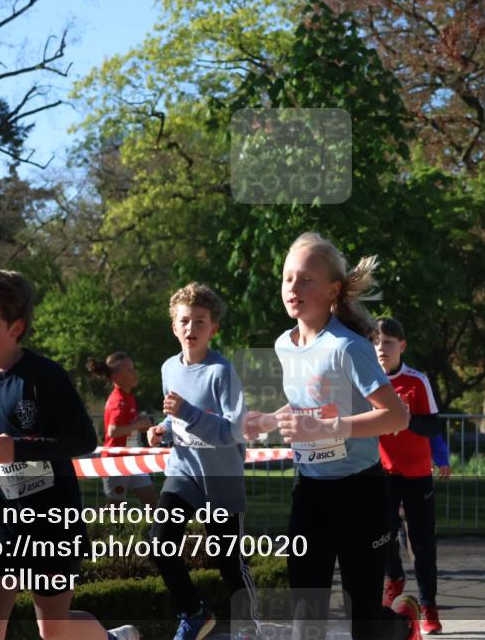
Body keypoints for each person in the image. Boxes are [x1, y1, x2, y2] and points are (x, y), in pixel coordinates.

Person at [243, 232, 422, 640]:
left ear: (332, 290)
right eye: (288, 278)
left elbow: (395, 416)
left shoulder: (349, 347)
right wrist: (270, 421)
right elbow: (310, 403)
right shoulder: (285, 346)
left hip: (361, 492)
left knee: (365, 623)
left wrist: (327, 429)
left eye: (306, 279)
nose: (293, 287)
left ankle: (400, 624)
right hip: (311, 492)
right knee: (306, 615)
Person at [0, 266, 137, 640]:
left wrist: (18, 448)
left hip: (51, 519)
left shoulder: (45, 376)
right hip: (0, 518)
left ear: (15, 328)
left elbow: (84, 440)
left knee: (54, 629)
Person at [145, 282, 259, 640]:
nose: (191, 328)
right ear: (173, 327)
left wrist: (188, 413)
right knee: (159, 542)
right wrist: (160, 429)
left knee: (228, 561)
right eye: (184, 321)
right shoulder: (168, 368)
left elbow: (233, 431)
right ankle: (194, 612)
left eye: (200, 321)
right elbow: (174, 416)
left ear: (214, 328)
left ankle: (251, 626)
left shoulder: (221, 372)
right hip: (182, 473)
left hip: (220, 477)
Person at [374, 317, 451, 635]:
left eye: (388, 343)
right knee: (382, 537)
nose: (381, 349)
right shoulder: (368, 382)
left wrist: (405, 420)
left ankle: (428, 608)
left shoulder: (417, 381)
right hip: (382, 474)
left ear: (401, 346)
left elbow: (433, 425)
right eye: (376, 343)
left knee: (422, 545)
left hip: (417, 475)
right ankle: (394, 578)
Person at [87, 352, 157, 506]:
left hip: (132, 458)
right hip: (115, 462)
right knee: (115, 509)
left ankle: (156, 530)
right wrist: (139, 424)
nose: (135, 373)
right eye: (130, 370)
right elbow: (113, 431)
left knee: (153, 503)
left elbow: (127, 429)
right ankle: (93, 528)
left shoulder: (128, 397)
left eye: (133, 368)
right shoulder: (117, 401)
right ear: (116, 378)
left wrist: (144, 428)